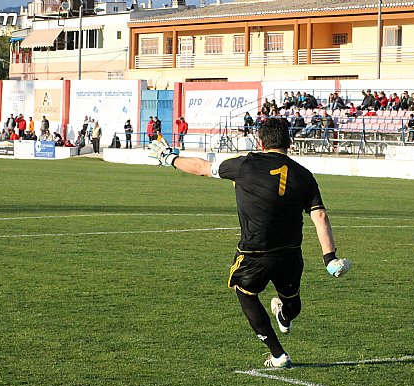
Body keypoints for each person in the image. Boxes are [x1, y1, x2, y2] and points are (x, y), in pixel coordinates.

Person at [147, 117, 351, 368]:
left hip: (255, 252)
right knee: (291, 301)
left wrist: (170, 158)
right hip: (290, 253)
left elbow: (202, 167)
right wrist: (329, 258)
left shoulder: (245, 164)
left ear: (260, 142)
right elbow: (319, 215)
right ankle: (285, 316)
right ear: (289, 141)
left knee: (245, 292)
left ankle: (278, 354)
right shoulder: (304, 175)